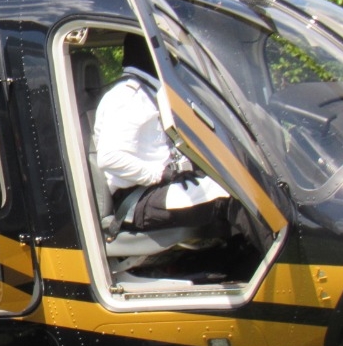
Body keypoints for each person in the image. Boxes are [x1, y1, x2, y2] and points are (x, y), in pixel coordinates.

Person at [93, 33, 266, 267]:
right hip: (140, 197)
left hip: (160, 187)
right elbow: (110, 158)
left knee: (242, 178)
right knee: (236, 195)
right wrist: (162, 174)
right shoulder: (127, 96)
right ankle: (281, 265)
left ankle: (240, 265)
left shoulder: (150, 92)